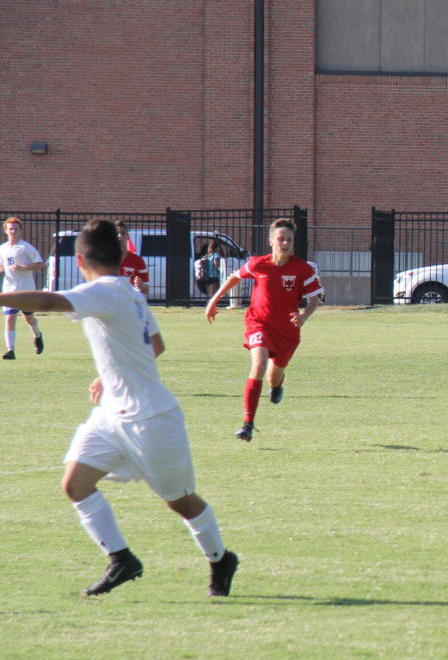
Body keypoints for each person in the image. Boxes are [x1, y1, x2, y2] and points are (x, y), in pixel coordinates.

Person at [0, 218, 238, 597]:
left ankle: (221, 558)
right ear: (124, 252)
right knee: (75, 484)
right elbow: (155, 345)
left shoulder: (106, 291)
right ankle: (121, 559)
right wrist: (110, 374)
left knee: (180, 501)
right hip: (112, 415)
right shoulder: (127, 291)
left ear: (79, 260)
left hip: (152, 419)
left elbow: (47, 301)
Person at [204, 218, 323, 442]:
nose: (285, 242)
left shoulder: (302, 268)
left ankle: (278, 384)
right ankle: (247, 423)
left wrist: (303, 317)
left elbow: (315, 300)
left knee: (272, 376)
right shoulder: (259, 264)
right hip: (259, 324)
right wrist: (213, 302)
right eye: (280, 239)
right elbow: (233, 278)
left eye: (289, 239)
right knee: (258, 364)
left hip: (287, 332)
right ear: (271, 241)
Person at [1, 216, 45, 359]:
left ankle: (37, 335)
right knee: (9, 318)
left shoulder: (26, 247)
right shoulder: (2, 249)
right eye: (10, 229)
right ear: (5, 231)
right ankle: (11, 350)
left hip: (26, 289)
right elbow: (2, 265)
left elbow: (40, 264)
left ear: (20, 231)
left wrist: (23, 267)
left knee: (29, 318)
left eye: (16, 229)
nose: (13, 231)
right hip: (9, 289)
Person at [114, 221, 149, 294]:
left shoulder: (138, 260)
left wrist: (141, 286)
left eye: (123, 233)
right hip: (111, 303)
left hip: (130, 303)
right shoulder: (105, 260)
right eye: (116, 233)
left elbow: (147, 290)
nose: (120, 236)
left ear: (128, 237)